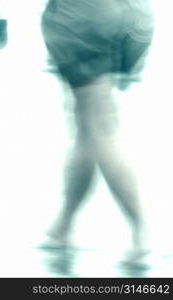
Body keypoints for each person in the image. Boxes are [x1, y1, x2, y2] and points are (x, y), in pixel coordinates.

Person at [40, 0, 154, 264]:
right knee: (87, 125)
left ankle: (141, 236)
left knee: (99, 126)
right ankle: (64, 225)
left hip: (83, 15)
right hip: (135, 11)